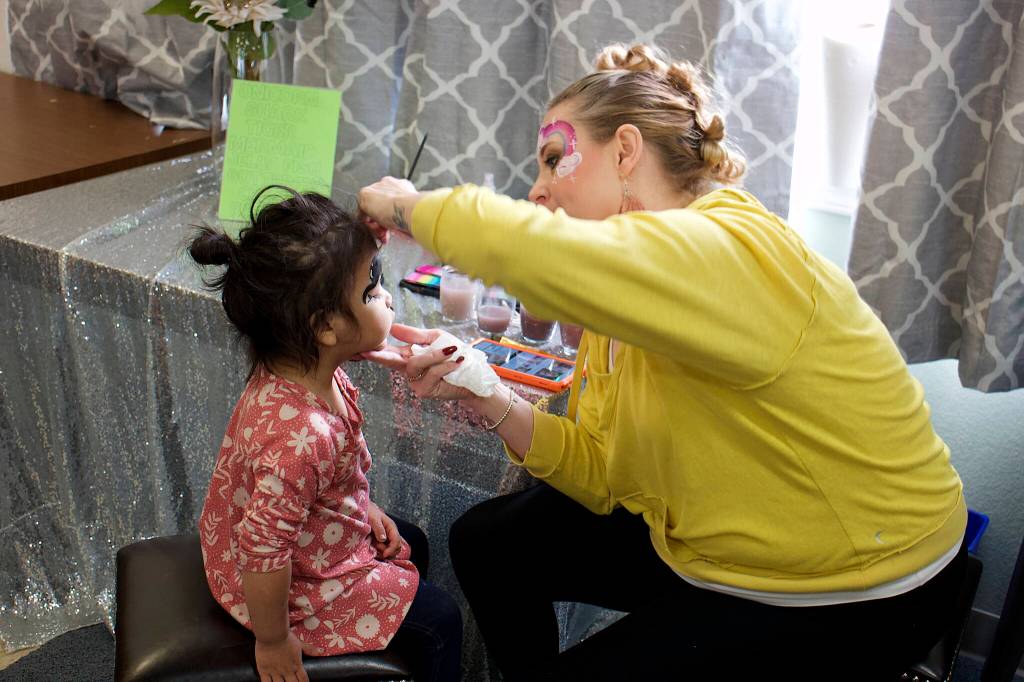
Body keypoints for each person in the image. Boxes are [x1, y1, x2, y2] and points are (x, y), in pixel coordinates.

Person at [355, 43, 968, 681]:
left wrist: (404, 204)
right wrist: (488, 396)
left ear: (625, 152)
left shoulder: (732, 246)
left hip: (858, 580)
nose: (536, 189)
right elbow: (603, 473)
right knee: (490, 542)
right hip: (711, 535)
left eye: (553, 159)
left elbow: (538, 254)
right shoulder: (624, 300)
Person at [189, 187, 462, 682]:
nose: (386, 297)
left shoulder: (298, 361)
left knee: (412, 541)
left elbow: (319, 486)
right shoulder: (301, 437)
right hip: (283, 592)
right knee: (441, 620)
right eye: (371, 290)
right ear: (326, 328)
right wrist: (274, 641)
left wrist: (363, 507)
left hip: (288, 540)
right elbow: (265, 551)